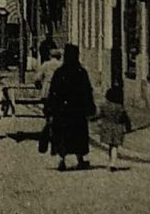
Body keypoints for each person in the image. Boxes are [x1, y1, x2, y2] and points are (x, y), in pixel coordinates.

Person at [45, 43, 96, 172]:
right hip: (77, 110)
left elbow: (53, 91)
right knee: (78, 134)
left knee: (62, 135)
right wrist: (90, 107)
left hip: (61, 110)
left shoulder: (59, 72)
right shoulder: (81, 72)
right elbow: (87, 91)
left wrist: (49, 108)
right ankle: (80, 159)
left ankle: (61, 160)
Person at [31, 45, 65, 154]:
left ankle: (49, 127)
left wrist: (38, 84)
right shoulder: (61, 65)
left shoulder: (46, 64)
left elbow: (37, 77)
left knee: (48, 113)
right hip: (59, 92)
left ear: (50, 56)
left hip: (47, 92)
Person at [97, 84, 132, 171]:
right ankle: (113, 162)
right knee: (115, 146)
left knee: (110, 145)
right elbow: (125, 118)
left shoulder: (104, 106)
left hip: (107, 128)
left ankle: (110, 162)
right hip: (118, 128)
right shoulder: (120, 108)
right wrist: (128, 127)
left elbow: (100, 115)